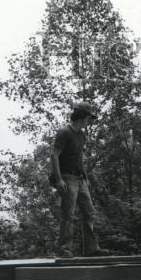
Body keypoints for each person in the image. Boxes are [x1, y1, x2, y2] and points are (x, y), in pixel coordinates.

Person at [50, 101, 100, 257]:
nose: (89, 121)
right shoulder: (65, 132)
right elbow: (54, 155)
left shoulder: (81, 135)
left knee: (89, 212)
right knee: (68, 213)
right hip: (67, 177)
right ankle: (64, 249)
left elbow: (79, 158)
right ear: (81, 117)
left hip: (80, 178)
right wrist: (59, 180)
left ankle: (91, 249)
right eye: (88, 118)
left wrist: (85, 177)